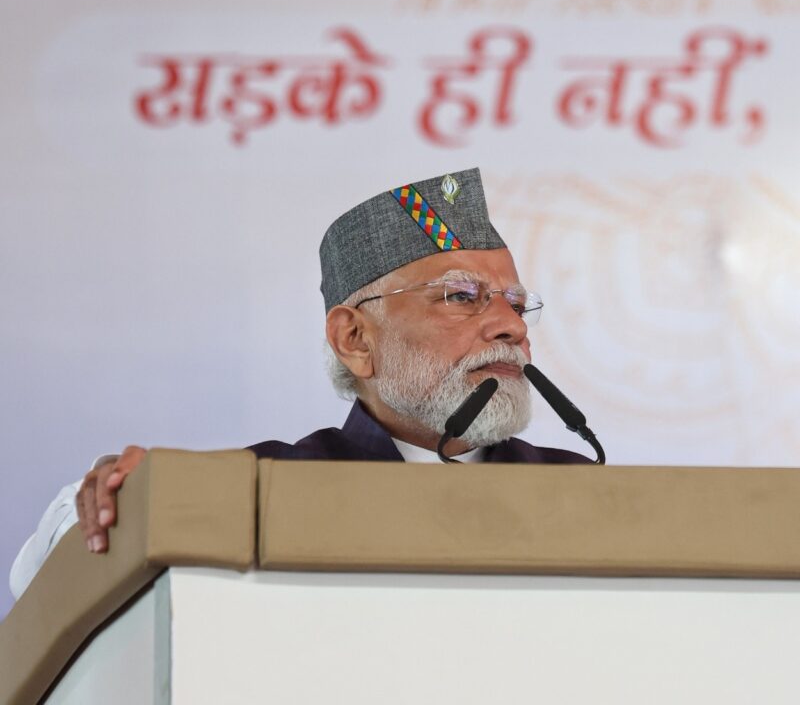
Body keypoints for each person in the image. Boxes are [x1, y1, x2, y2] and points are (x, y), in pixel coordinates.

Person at [10, 167, 589, 599]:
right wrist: (125, 497)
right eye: (462, 296)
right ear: (354, 339)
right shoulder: (263, 486)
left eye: (517, 305)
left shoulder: (582, 492)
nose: (512, 326)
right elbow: (40, 582)